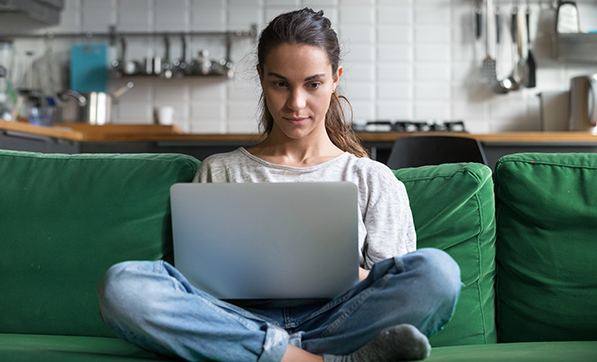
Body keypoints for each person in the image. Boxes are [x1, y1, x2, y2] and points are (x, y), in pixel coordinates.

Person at [97, 8, 461, 362]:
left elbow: (390, 285)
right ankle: (313, 359)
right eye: (280, 84)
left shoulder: (372, 178)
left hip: (338, 321)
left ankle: (265, 355)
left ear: (335, 79)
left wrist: (330, 270)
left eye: (313, 84)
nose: (296, 103)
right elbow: (196, 286)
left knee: (438, 272)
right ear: (261, 78)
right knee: (123, 286)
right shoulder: (220, 171)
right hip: (236, 321)